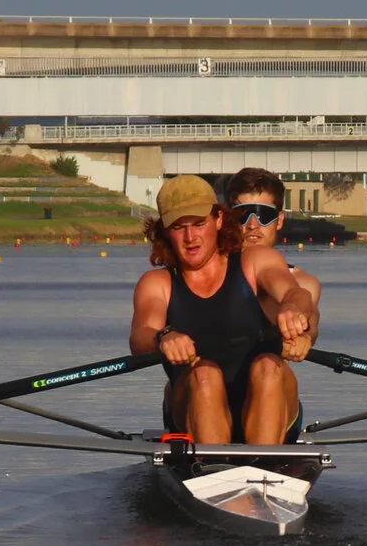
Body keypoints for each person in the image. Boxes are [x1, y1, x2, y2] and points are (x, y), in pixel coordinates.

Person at [130, 175, 316, 445]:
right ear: (165, 232)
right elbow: (140, 335)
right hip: (194, 407)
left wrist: (292, 310)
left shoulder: (256, 261)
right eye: (179, 227)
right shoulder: (157, 283)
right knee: (205, 374)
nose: (190, 237)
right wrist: (164, 336)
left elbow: (295, 293)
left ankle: (262, 466)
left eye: (198, 224)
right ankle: (216, 470)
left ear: (218, 220)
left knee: (267, 366)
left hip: (271, 401)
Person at [223, 168, 321, 349]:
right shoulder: (207, 271)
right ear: (230, 219)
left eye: (264, 215)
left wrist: (305, 336)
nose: (253, 225)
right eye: (242, 215)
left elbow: (311, 320)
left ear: (280, 220)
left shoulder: (305, 283)